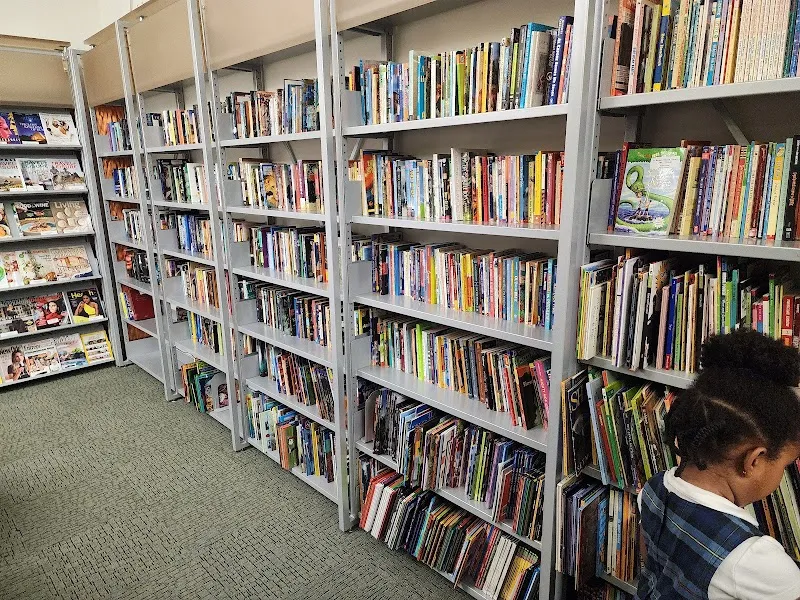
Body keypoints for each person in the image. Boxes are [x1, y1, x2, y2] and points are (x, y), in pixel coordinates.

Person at [637, 330, 800, 600]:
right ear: (754, 460)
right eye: (785, 464)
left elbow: (651, 566)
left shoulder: (653, 490)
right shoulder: (756, 561)